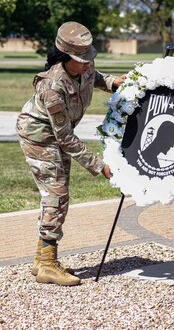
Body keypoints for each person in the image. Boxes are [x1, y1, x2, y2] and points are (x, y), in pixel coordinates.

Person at [16, 21, 126, 286]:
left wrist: (113, 83)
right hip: (40, 136)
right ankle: (48, 265)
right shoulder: (52, 88)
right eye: (81, 59)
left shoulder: (84, 69)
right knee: (56, 194)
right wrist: (98, 165)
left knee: (59, 193)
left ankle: (42, 259)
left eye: (89, 58)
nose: (88, 64)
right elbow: (65, 137)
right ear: (65, 57)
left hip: (57, 136)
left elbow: (95, 77)